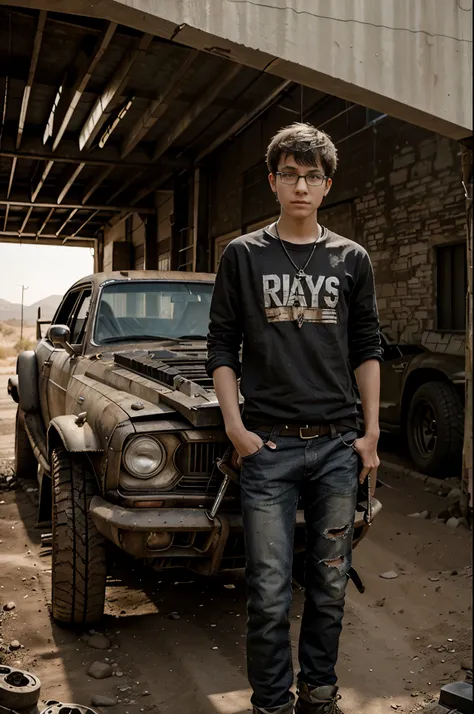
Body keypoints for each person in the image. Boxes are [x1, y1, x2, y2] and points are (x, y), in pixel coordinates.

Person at [206, 122, 382, 714]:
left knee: (329, 585)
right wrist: (236, 428)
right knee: (270, 592)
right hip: (269, 449)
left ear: (327, 184)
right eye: (290, 174)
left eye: (312, 176)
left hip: (337, 445)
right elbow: (222, 347)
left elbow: (366, 348)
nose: (300, 185)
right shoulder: (243, 256)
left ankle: (321, 696)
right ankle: (273, 703)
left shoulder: (351, 259)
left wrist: (371, 435)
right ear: (273, 181)